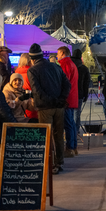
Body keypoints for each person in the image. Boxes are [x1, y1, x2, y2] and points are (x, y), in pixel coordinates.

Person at [28, 43, 71, 174]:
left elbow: (37, 91)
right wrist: (61, 99)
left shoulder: (33, 70)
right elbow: (67, 85)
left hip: (45, 107)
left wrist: (52, 100)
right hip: (59, 106)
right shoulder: (56, 66)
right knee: (58, 135)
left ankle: (51, 163)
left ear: (32, 59)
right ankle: (59, 161)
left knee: (46, 136)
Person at [57, 46, 79, 157]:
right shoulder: (72, 64)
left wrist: (61, 97)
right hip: (72, 97)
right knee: (72, 124)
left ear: (62, 53)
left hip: (67, 99)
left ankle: (70, 147)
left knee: (68, 124)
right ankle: (73, 147)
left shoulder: (65, 64)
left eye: (57, 53)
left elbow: (64, 83)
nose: (57, 56)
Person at [71, 49, 91, 135]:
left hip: (69, 93)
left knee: (69, 113)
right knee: (77, 113)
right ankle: (76, 129)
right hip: (79, 93)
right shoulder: (84, 68)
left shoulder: (70, 66)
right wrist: (85, 94)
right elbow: (86, 83)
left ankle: (70, 129)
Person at [15, 53, 38, 120]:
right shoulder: (32, 73)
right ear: (29, 61)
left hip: (19, 102)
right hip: (31, 102)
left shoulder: (16, 73)